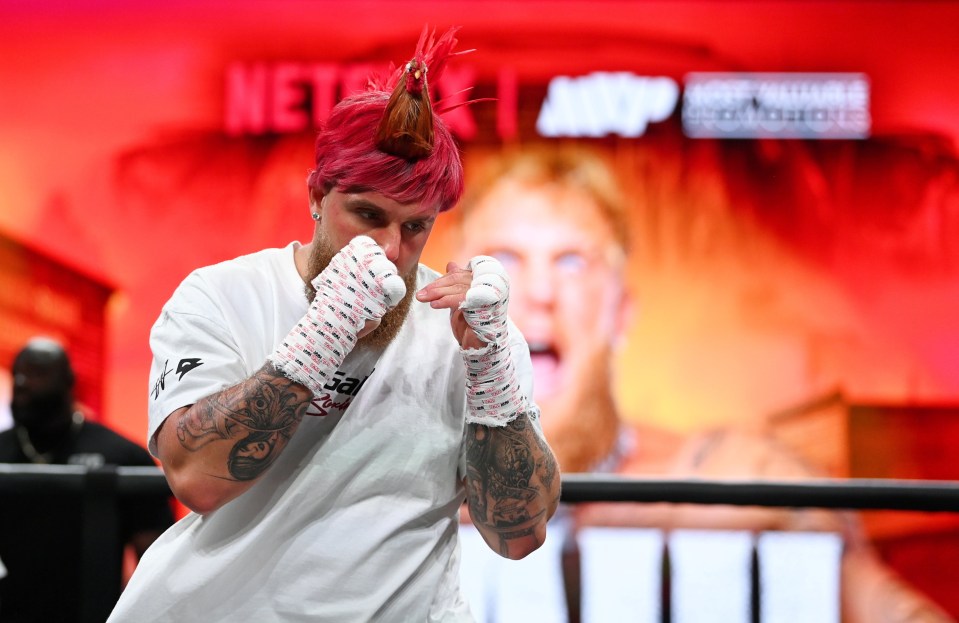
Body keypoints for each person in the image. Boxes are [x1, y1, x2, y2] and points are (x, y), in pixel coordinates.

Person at [107, 27, 560, 623]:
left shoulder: (467, 328)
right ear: (318, 195)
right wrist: (323, 335)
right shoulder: (222, 296)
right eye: (368, 215)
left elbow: (517, 536)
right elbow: (196, 480)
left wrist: (492, 372)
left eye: (416, 226)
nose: (393, 249)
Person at [453, 145, 955, 623]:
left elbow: (894, 609)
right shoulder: (395, 485)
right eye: (504, 260)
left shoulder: (730, 482)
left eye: (572, 262)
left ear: (621, 314)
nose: (539, 292)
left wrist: (781, 517)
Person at [0, 337, 175, 623]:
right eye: (18, 374)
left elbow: (156, 559)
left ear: (68, 382)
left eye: (38, 372)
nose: (23, 383)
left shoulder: (121, 454)